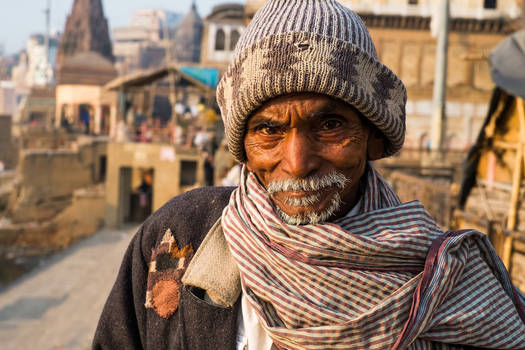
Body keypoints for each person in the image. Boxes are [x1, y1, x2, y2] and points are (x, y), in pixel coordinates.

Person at [93, 1, 525, 349]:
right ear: (243, 147)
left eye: (330, 125)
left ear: (374, 137)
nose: (298, 162)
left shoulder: (447, 284)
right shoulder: (175, 242)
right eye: (268, 129)